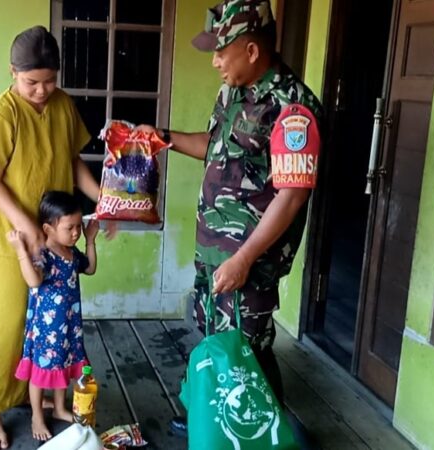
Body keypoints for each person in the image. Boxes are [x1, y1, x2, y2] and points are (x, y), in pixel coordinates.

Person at [137, 0, 323, 434]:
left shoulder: (292, 109)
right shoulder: (234, 92)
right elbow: (218, 146)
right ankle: (209, 413)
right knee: (213, 334)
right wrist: (164, 139)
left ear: (253, 51)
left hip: (249, 259)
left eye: (222, 51)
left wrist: (244, 259)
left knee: (249, 347)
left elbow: (293, 195)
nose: (215, 62)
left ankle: (269, 430)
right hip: (215, 249)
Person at [0, 26, 114, 449]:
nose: (41, 90)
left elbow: (73, 163)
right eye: (31, 82)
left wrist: (106, 200)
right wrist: (26, 225)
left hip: (55, 239)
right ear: (12, 72)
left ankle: (42, 398)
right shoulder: (1, 113)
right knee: (7, 321)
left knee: (51, 323)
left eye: (49, 80)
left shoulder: (63, 105)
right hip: (11, 237)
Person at [9, 191, 98, 441]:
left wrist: (91, 240)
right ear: (48, 228)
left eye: (79, 227)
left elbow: (90, 268)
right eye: (70, 227)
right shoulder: (44, 254)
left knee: (66, 365)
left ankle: (59, 408)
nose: (76, 232)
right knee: (41, 371)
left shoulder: (72, 252)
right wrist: (20, 250)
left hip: (69, 324)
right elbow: (34, 281)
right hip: (46, 328)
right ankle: (37, 415)